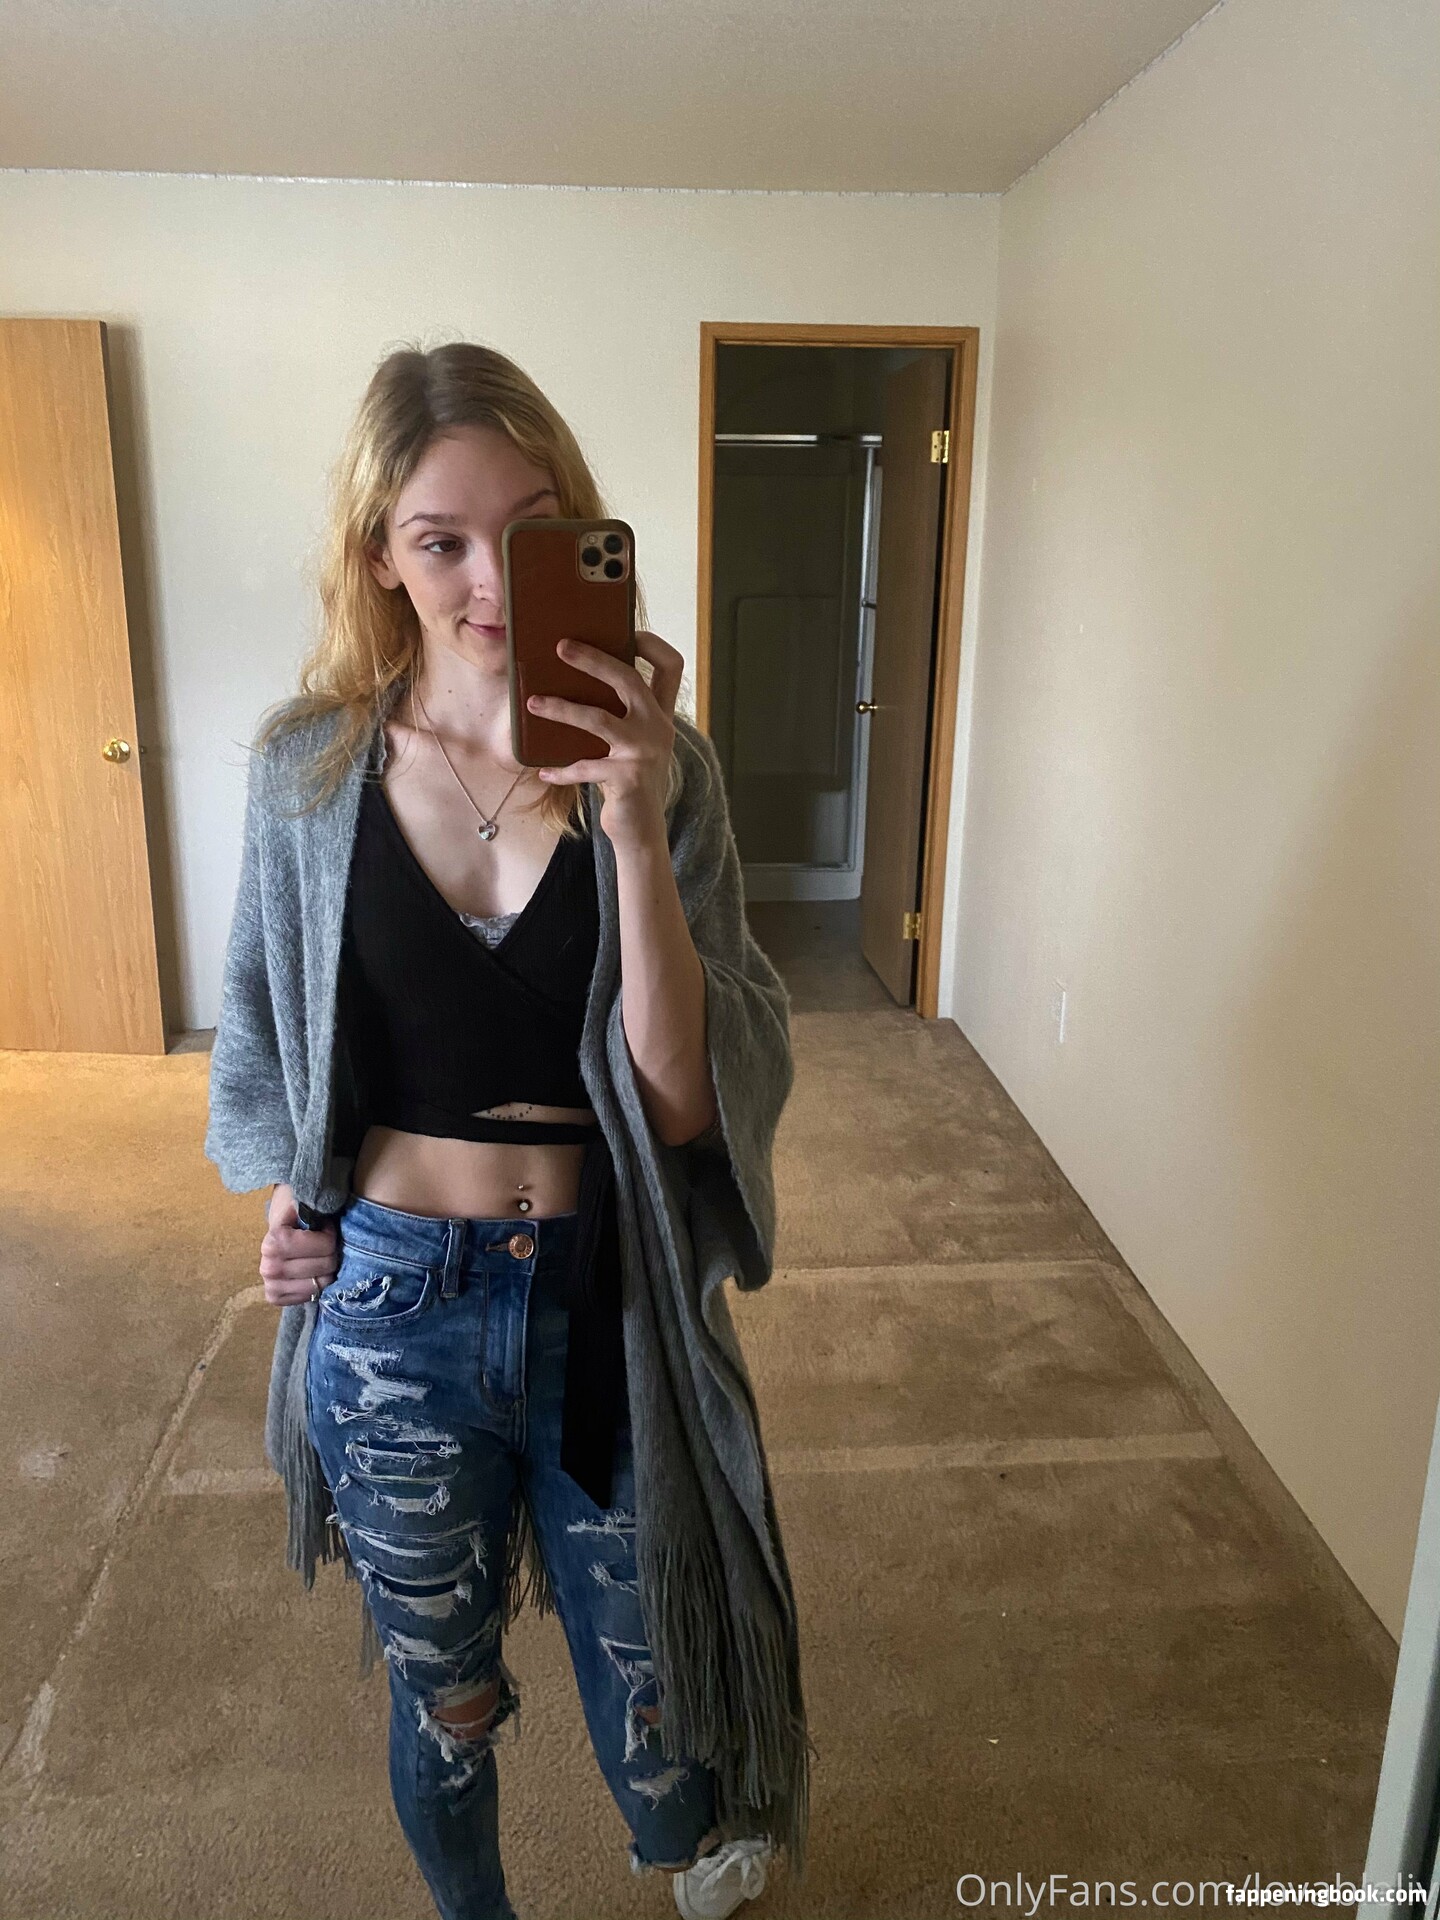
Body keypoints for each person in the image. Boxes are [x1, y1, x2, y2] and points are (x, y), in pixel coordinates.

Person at [203, 341, 812, 1920]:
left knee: (663, 1691)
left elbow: (685, 1102)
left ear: (582, 537)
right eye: (440, 540)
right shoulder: (307, 770)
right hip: (392, 1305)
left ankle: (689, 1843)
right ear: (379, 558)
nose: (486, 581)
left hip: (607, 1300)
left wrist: (631, 820)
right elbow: (276, 1026)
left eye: (528, 532)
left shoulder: (662, 773)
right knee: (447, 1699)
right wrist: (290, 1200)